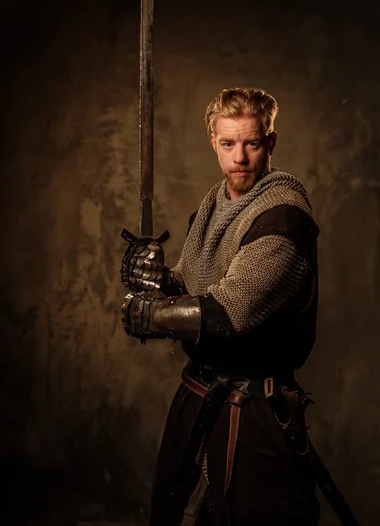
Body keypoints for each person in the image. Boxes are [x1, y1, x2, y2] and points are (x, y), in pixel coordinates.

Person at [120, 87, 320, 526]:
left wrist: (148, 313)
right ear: (213, 141)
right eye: (228, 144)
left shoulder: (283, 218)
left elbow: (226, 313)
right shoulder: (212, 207)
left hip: (253, 411)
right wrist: (158, 278)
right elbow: (197, 286)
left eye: (251, 143)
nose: (240, 158)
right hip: (199, 396)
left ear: (270, 142)